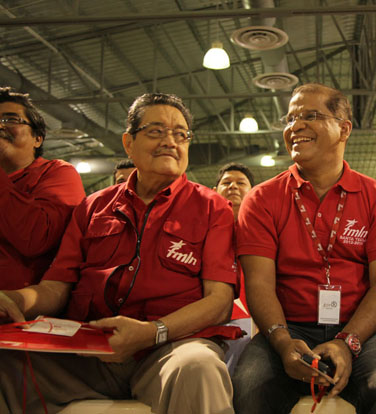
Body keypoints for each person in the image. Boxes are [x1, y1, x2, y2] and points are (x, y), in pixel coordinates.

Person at [0, 93, 238, 414]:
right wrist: (16, 300)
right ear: (129, 142)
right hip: (86, 351)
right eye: (156, 131)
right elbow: (56, 287)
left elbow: (220, 300)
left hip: (170, 348)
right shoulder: (93, 206)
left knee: (199, 367)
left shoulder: (212, 207)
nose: (170, 141)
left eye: (180, 134)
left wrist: (153, 332)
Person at [233, 83, 376, 414]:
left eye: (311, 116)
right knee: (249, 389)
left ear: (343, 129)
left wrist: (347, 343)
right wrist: (281, 342)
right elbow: (259, 284)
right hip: (285, 326)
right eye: (290, 118)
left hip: (363, 329)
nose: (295, 126)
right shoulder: (262, 199)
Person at [0, 87, 85, 290]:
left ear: (38, 138)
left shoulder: (57, 173)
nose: (0, 127)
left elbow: (35, 239)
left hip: (22, 311)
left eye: (10, 120)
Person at [214, 162, 255, 374]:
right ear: (214, 191)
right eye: (226, 182)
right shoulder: (203, 230)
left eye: (241, 183)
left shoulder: (262, 231)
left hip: (252, 317)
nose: (233, 187)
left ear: (253, 191)